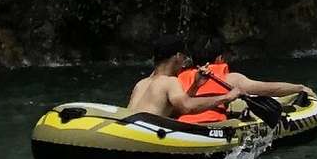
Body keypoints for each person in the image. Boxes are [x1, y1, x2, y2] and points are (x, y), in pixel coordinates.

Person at [124, 36, 305, 125]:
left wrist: (195, 85)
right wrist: (227, 97)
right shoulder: (169, 82)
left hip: (132, 130)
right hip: (148, 136)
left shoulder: (142, 83)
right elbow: (186, 107)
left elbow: (169, 110)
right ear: (177, 56)